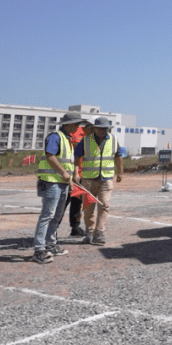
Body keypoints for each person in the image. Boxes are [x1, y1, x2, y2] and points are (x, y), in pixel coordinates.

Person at [33, 113, 84, 264]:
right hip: (51, 182)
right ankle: (39, 250)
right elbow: (50, 156)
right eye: (75, 124)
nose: (77, 127)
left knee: (56, 216)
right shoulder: (55, 137)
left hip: (62, 183)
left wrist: (71, 176)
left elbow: (67, 161)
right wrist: (63, 172)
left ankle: (50, 245)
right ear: (68, 124)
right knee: (47, 215)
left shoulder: (67, 140)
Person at [75, 116, 125, 246]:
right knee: (88, 208)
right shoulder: (85, 140)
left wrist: (120, 172)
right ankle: (89, 232)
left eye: (105, 128)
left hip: (106, 179)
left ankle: (99, 232)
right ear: (94, 128)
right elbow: (77, 156)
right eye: (100, 128)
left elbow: (118, 156)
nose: (103, 130)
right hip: (88, 180)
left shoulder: (113, 140)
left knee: (104, 205)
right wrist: (75, 172)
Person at [65, 121, 91, 237]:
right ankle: (52, 231)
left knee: (77, 203)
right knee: (63, 203)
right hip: (69, 175)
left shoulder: (93, 138)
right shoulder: (74, 133)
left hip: (82, 176)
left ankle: (75, 227)